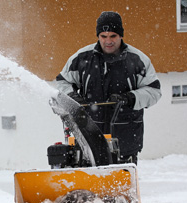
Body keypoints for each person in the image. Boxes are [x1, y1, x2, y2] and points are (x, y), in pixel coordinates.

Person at [56, 11, 161, 164]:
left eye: (113, 36)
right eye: (103, 36)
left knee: (121, 185)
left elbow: (154, 91)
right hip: (88, 138)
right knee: (89, 185)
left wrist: (129, 98)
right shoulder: (82, 58)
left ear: (121, 35)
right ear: (98, 36)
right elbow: (62, 83)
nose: (108, 41)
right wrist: (71, 96)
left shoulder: (137, 60)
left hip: (125, 139)